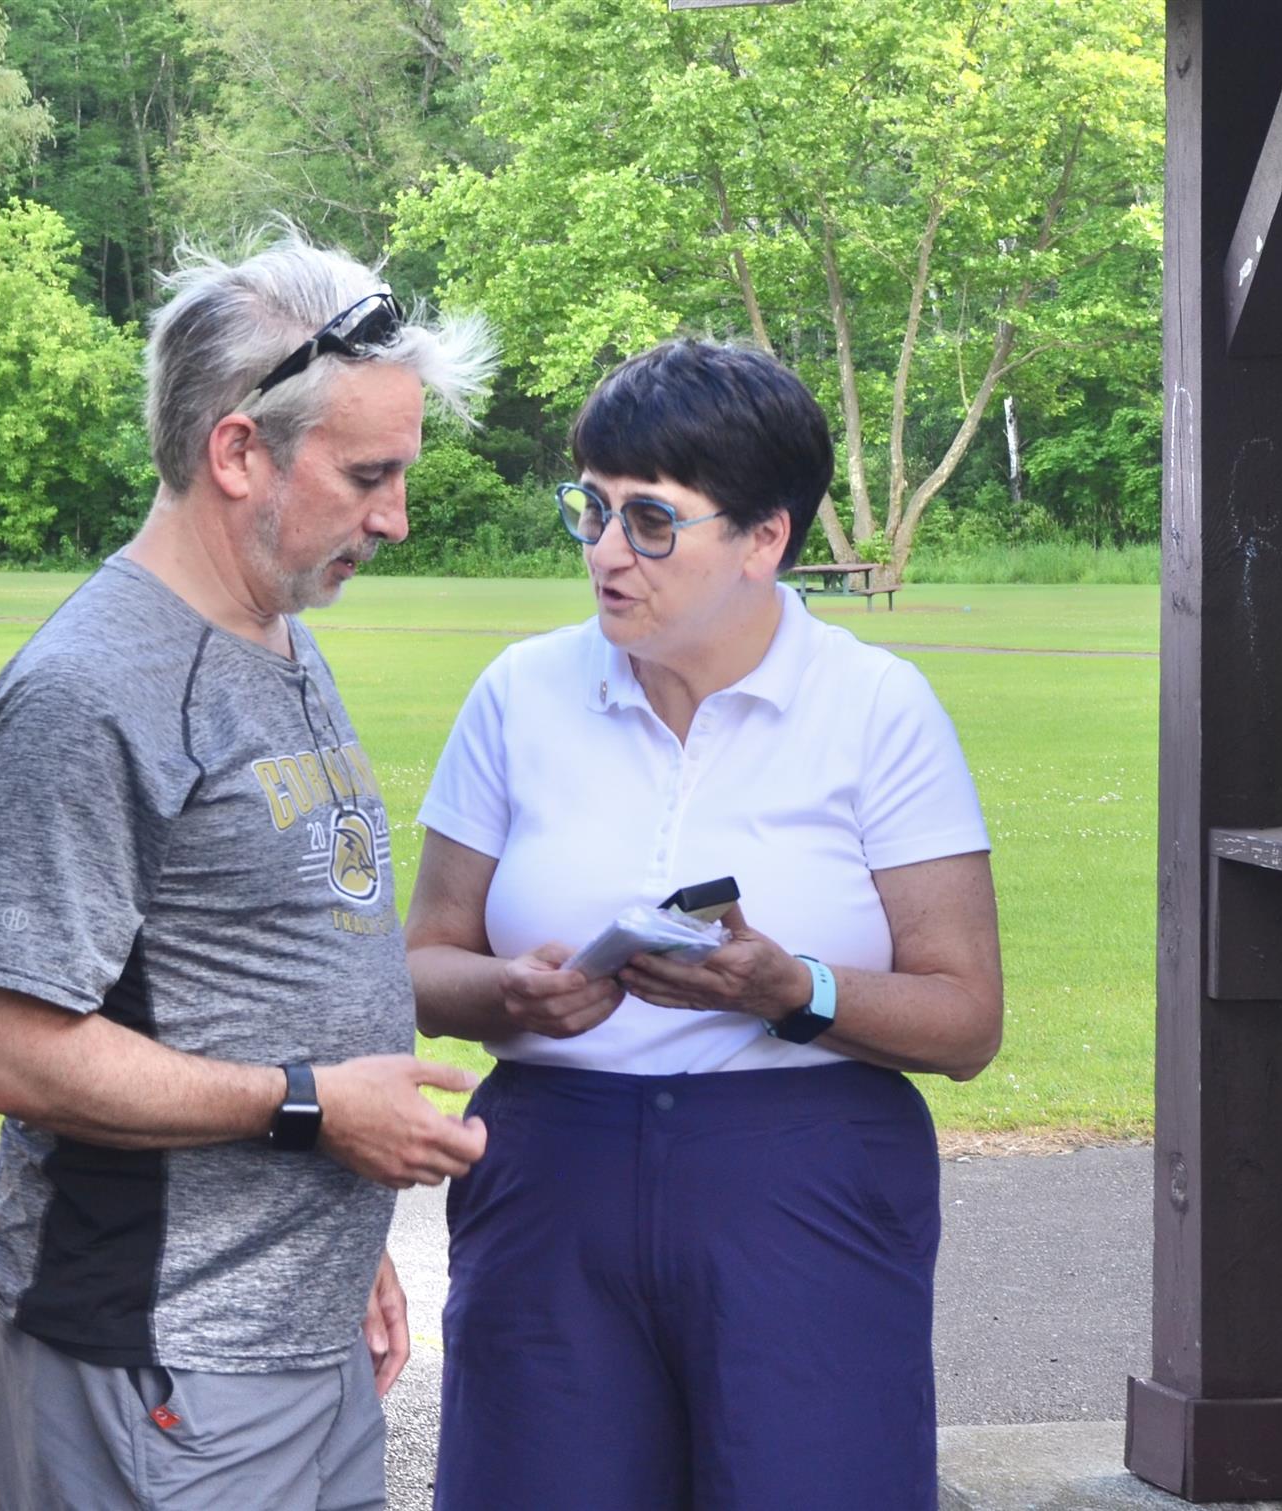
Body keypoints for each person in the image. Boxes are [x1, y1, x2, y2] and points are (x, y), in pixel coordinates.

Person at [0, 235, 498, 1511]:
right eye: (369, 475)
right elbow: (2, 1050)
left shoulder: (277, 625)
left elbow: (265, 952)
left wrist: (343, 1248)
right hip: (158, 1348)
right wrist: (313, 1105)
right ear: (239, 451)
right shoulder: (89, 694)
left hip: (298, 1334)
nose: (397, 516)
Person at [405, 339, 1004, 1509]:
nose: (605, 552)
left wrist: (794, 990)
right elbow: (423, 956)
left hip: (803, 1179)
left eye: (651, 521)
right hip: (552, 1174)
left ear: (765, 538)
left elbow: (966, 1017)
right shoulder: (520, 692)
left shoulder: (877, 708)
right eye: (592, 509)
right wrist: (504, 993)